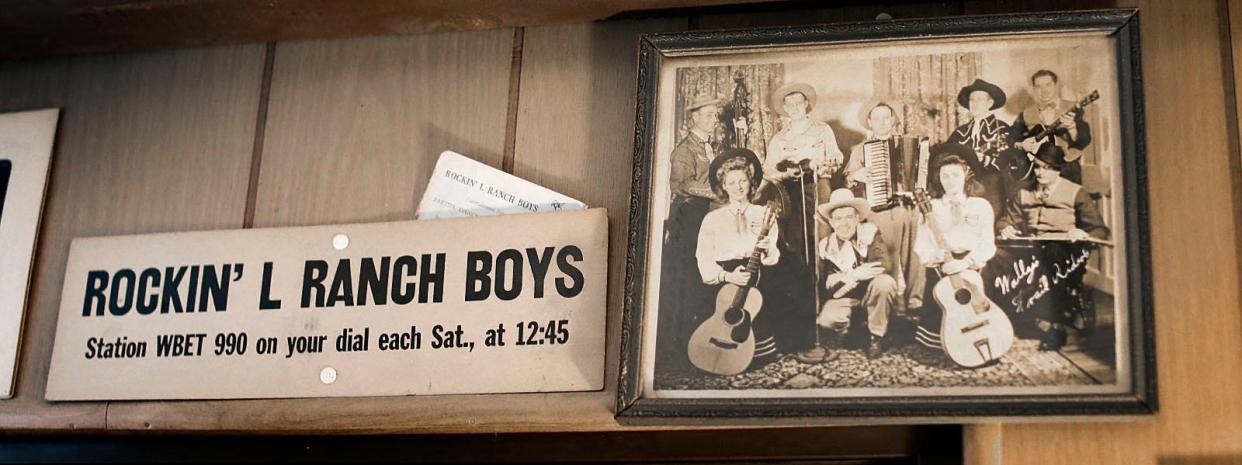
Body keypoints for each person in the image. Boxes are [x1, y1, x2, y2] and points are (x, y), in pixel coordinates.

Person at [695, 148, 816, 369]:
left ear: (751, 184)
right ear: (723, 186)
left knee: (790, 280)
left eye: (742, 181)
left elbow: (773, 255)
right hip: (724, 278)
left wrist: (767, 249)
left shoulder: (763, 213)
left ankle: (782, 343)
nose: (738, 187)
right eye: (732, 182)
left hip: (758, 270)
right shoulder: (712, 219)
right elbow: (703, 257)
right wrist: (727, 276)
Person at [997, 144, 1109, 350]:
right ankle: (1002, 319)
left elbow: (1100, 230)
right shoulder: (1023, 192)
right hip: (1029, 249)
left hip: (1064, 251)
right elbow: (1006, 220)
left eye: (1046, 168)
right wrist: (1005, 228)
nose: (1040, 172)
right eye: (1037, 167)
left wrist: (1082, 233)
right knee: (998, 257)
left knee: (1053, 254)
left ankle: (1052, 325)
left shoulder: (1076, 192)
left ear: (1057, 170)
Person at [655, 93, 724, 375]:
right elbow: (680, 185)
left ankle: (706, 343)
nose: (714, 119)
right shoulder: (684, 150)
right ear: (693, 117)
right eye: (708, 114)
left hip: (707, 216)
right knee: (688, 280)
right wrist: (717, 192)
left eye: (715, 115)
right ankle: (680, 351)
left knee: (707, 276)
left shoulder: (712, 147)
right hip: (688, 219)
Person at [913, 145, 997, 354]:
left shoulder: (980, 206)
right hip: (941, 269)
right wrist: (934, 256)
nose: (950, 181)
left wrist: (967, 263)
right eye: (945, 176)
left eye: (955, 175)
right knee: (935, 341)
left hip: (972, 267)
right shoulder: (931, 207)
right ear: (938, 178)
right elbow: (921, 243)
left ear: (966, 175)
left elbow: (987, 243)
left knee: (975, 297)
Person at [845, 101, 927, 314]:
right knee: (885, 253)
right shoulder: (861, 150)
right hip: (878, 207)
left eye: (886, 117)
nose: (882, 122)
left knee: (918, 249)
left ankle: (915, 301)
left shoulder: (910, 143)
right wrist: (856, 175)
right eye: (877, 118)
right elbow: (847, 180)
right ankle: (889, 303)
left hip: (910, 205)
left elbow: (921, 173)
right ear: (869, 122)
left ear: (892, 120)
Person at [761, 83, 846, 268]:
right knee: (793, 235)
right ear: (784, 108)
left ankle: (823, 273)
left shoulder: (823, 130)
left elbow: (836, 156)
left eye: (799, 103)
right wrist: (784, 174)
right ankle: (801, 276)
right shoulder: (779, 138)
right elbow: (768, 169)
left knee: (821, 228)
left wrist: (829, 166)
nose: (795, 108)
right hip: (789, 188)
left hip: (817, 182)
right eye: (790, 105)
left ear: (807, 104)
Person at [814, 189, 899, 359]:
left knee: (884, 283)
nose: (843, 223)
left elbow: (882, 265)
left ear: (857, 218)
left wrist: (843, 279)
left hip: (870, 295)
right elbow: (827, 287)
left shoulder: (869, 232)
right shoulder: (826, 245)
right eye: (838, 218)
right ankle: (857, 331)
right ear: (831, 222)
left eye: (848, 217)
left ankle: (876, 336)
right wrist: (855, 274)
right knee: (826, 320)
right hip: (846, 301)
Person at [945, 78, 1023, 225]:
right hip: (961, 188)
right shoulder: (960, 132)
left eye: (979, 99)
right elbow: (946, 156)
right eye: (971, 100)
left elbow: (1004, 160)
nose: (974, 103)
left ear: (990, 103)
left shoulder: (1001, 129)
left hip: (990, 187)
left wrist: (985, 160)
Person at [1012, 70, 1093, 184]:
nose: (1044, 91)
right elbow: (1012, 137)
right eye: (1038, 87)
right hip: (1036, 172)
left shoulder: (1074, 108)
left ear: (1056, 85)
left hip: (1066, 169)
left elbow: (1085, 140)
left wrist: (1071, 127)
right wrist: (1021, 145)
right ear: (1033, 89)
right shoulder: (1026, 113)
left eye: (1048, 85)